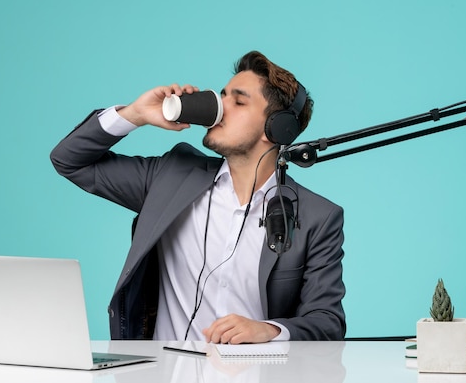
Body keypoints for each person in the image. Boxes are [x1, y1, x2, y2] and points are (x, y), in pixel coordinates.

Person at [50, 51, 346, 343]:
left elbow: (327, 321)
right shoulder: (171, 176)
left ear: (277, 128)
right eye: (222, 96)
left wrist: (269, 330)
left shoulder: (316, 217)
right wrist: (135, 114)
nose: (219, 107)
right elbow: (70, 160)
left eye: (238, 101)